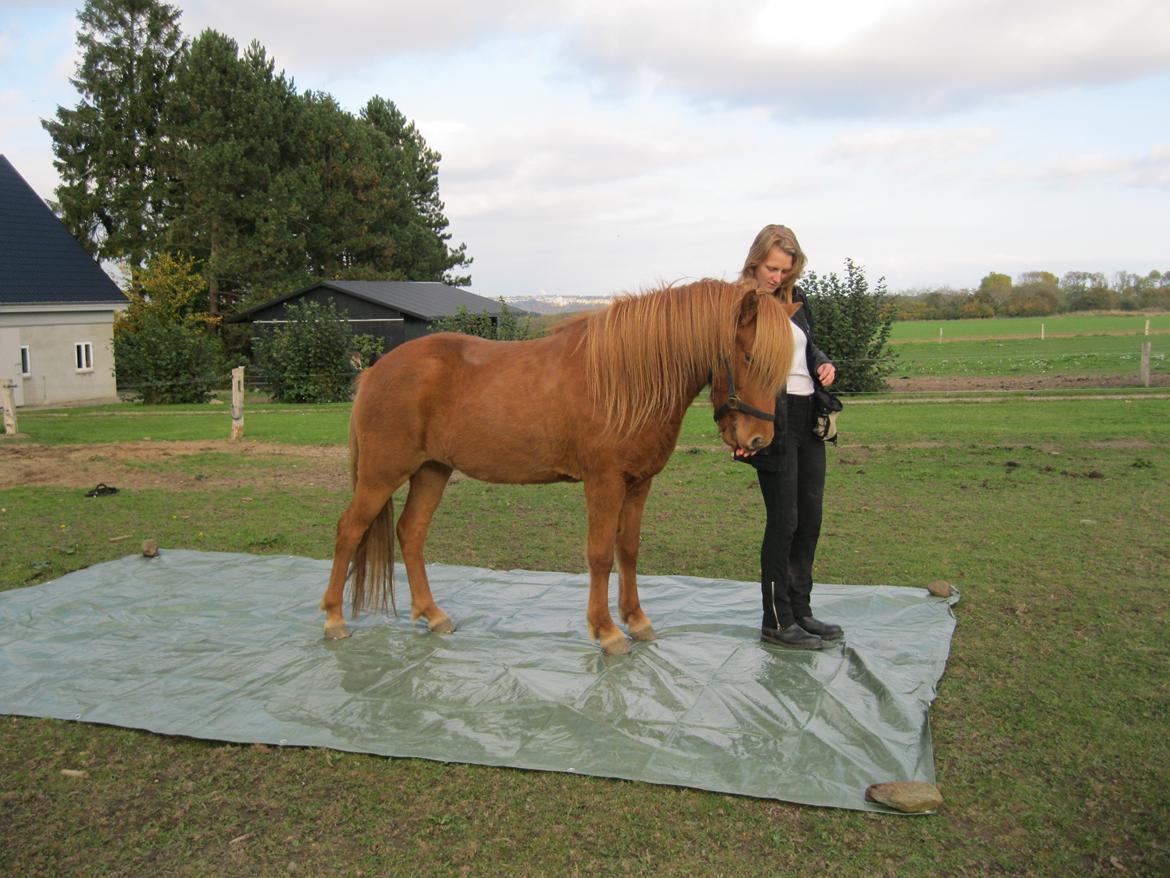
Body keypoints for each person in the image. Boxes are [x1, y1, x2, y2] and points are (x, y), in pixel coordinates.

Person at [734, 224, 843, 650]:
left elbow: (808, 348)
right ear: (755, 261)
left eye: (786, 270)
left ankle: (800, 611)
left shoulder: (795, 303)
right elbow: (733, 369)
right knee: (784, 521)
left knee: (809, 519)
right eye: (772, 268)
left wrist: (824, 364)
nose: (777, 277)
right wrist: (739, 428)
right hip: (770, 418)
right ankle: (776, 621)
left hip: (806, 416)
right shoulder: (741, 305)